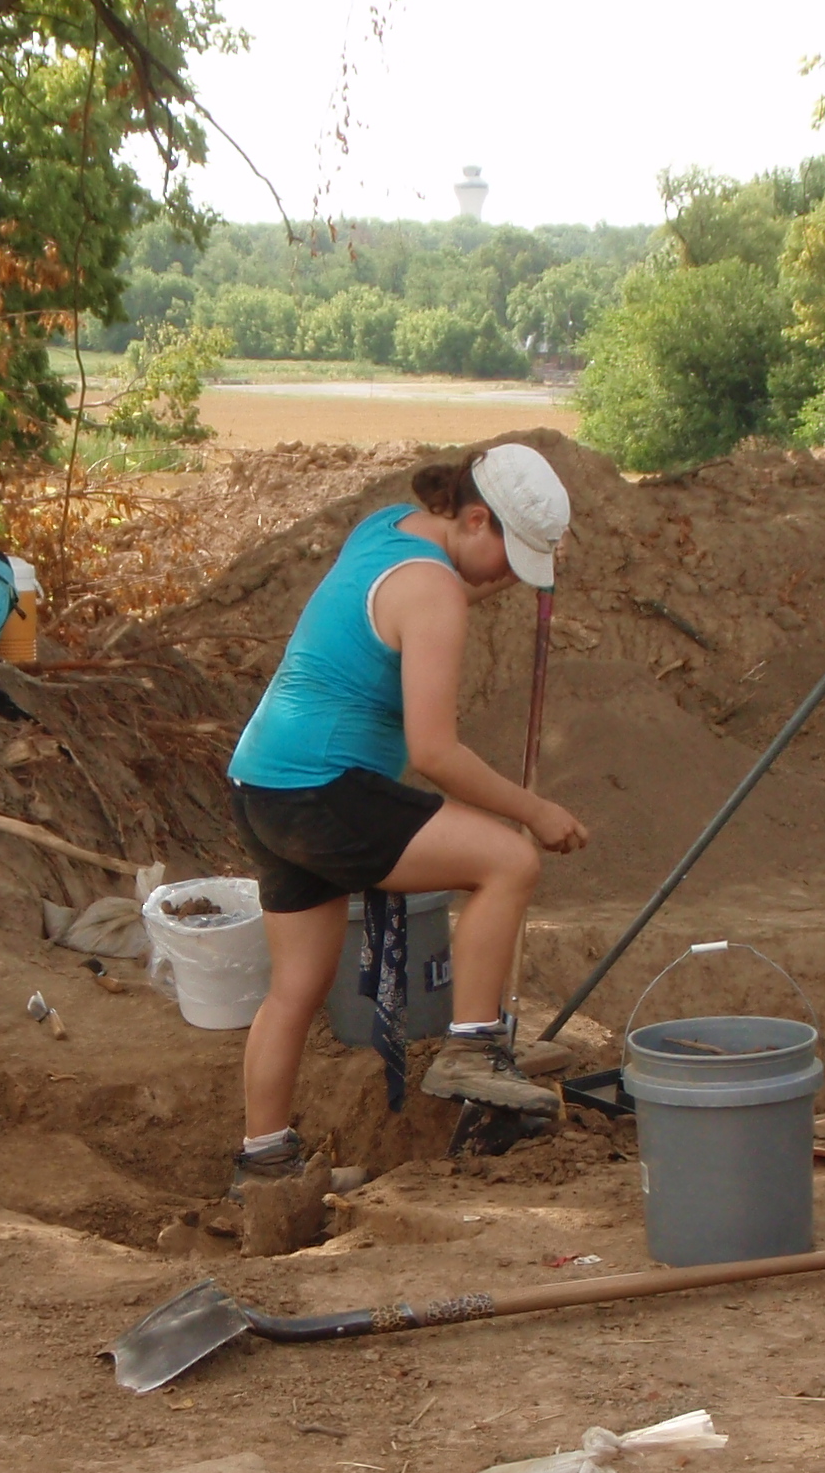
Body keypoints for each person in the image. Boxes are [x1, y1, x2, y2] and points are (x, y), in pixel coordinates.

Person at [221, 444, 588, 1191]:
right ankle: (474, 1048)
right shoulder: (436, 596)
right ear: (475, 517)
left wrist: (508, 568)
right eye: (508, 557)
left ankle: (264, 1162)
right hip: (328, 789)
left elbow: (446, 584)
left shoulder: (391, 528)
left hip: (263, 783)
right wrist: (535, 810)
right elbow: (435, 752)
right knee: (509, 861)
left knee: (295, 988)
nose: (508, 578)